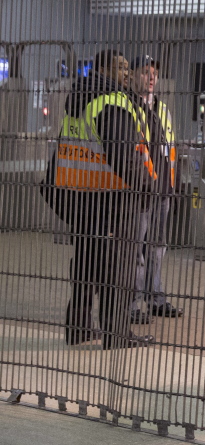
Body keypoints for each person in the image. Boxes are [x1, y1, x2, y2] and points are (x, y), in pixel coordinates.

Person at [48, 49, 159, 350]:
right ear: (102, 70)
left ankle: (79, 327)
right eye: (120, 67)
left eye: (126, 66)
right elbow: (125, 156)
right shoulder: (111, 102)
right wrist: (149, 187)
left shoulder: (80, 100)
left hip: (84, 199)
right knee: (118, 269)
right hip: (114, 203)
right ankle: (116, 333)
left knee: (86, 265)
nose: (126, 72)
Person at [130, 55, 184, 323]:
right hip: (140, 191)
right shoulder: (128, 108)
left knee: (157, 247)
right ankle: (129, 303)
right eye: (144, 71)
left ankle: (155, 299)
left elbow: (169, 151)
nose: (151, 77)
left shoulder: (163, 109)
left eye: (154, 72)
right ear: (132, 76)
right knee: (135, 249)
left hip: (162, 189)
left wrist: (173, 185)